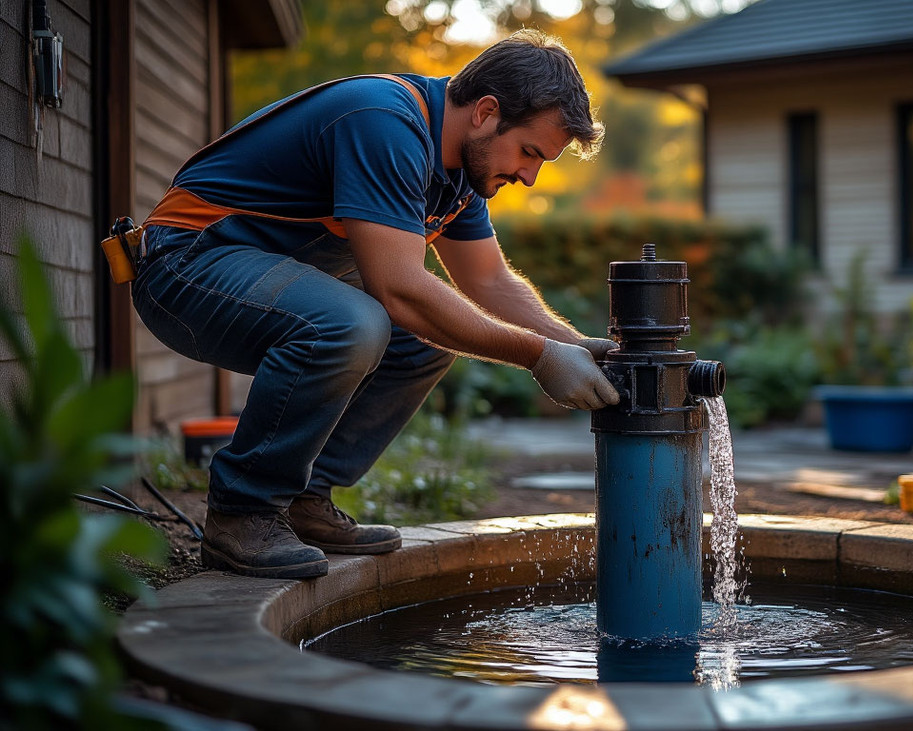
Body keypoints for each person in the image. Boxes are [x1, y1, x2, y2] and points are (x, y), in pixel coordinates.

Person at [132, 30, 619, 580]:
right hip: (184, 265)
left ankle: (303, 499)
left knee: (424, 345)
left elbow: (491, 282)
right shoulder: (384, 122)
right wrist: (538, 357)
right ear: (485, 112)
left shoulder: (458, 173)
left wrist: (572, 345)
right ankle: (243, 512)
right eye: (530, 152)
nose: (530, 176)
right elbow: (401, 290)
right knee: (355, 322)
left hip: (259, 273)